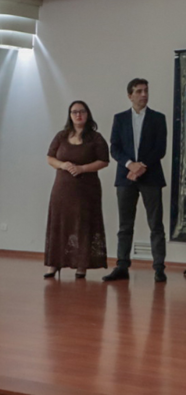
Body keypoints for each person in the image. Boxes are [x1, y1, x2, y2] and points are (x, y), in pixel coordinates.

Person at [104, 78, 168, 283]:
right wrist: (130, 164)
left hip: (151, 176)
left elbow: (160, 149)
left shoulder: (158, 118)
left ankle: (159, 268)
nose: (144, 94)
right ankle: (122, 265)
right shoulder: (120, 118)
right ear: (129, 95)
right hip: (126, 177)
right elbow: (115, 148)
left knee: (156, 224)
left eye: (146, 90)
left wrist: (141, 166)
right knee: (125, 225)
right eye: (139, 91)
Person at [44, 101, 110, 279]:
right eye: (74, 112)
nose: (78, 115)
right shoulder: (61, 136)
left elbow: (104, 161)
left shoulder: (95, 138)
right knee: (59, 224)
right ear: (70, 115)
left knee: (83, 225)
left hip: (86, 190)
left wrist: (82, 168)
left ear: (87, 114)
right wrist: (63, 165)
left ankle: (82, 266)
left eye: (82, 111)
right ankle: (54, 264)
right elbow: (50, 158)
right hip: (62, 189)